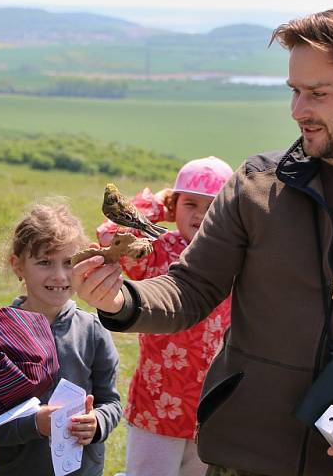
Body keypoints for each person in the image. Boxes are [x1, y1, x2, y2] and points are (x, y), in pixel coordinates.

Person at [73, 6, 333, 476]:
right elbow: (190, 286)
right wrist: (121, 298)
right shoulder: (256, 185)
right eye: (295, 91)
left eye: (318, 93)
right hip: (240, 460)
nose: (298, 111)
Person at [96, 157, 233, 476]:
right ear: (174, 206)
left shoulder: (234, 258)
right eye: (190, 204)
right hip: (157, 406)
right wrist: (154, 204)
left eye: (213, 206)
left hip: (212, 409)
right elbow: (108, 236)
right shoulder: (157, 248)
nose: (200, 215)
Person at [0, 203, 122, 476]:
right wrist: (35, 425)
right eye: (44, 262)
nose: (60, 276)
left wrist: (96, 422)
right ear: (18, 266)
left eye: (69, 263)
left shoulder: (94, 331)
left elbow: (110, 402)